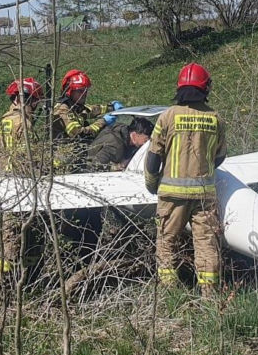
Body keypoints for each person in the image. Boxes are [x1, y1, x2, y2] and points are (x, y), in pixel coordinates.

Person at [145, 63, 226, 296]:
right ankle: (210, 296)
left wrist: (152, 185)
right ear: (206, 88)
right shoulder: (215, 118)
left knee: (166, 242)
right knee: (206, 244)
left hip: (171, 195)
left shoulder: (167, 116)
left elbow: (153, 158)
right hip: (204, 195)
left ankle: (169, 293)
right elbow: (219, 158)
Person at [0, 76, 43, 278]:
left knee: (7, 236)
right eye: (35, 101)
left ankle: (2, 282)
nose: (36, 107)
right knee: (24, 237)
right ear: (28, 99)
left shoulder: (4, 121)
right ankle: (24, 282)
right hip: (21, 185)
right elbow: (28, 158)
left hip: (4, 182)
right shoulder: (24, 124)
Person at [50, 69, 124, 171]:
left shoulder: (74, 106)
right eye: (80, 91)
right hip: (63, 161)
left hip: (76, 152)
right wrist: (103, 121)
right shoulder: (62, 111)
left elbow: (89, 110)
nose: (84, 94)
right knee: (110, 139)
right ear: (69, 91)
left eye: (85, 90)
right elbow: (80, 135)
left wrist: (110, 107)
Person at [87, 116, 153, 171]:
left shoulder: (122, 128)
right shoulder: (115, 146)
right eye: (145, 140)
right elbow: (95, 166)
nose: (146, 143)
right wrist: (117, 167)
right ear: (134, 135)